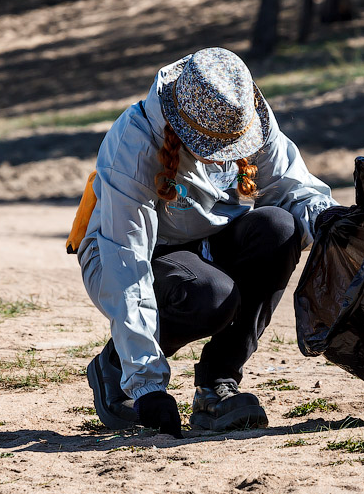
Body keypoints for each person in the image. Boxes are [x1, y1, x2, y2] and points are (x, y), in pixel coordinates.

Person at [75, 47, 349, 438]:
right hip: (124, 254)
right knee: (210, 295)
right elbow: (127, 264)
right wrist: (147, 385)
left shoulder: (243, 111)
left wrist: (331, 221)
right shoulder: (133, 144)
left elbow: (292, 189)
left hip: (205, 242)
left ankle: (216, 386)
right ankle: (115, 367)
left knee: (280, 228)